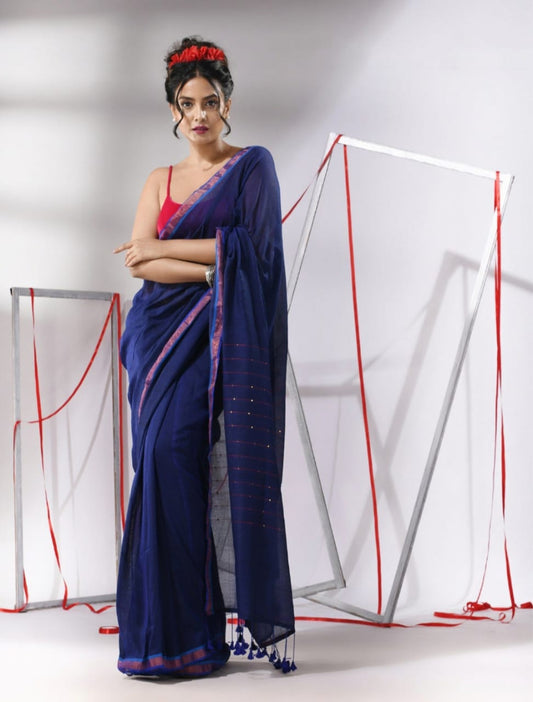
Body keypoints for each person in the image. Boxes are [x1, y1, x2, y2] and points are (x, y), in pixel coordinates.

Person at [113, 36, 295, 677]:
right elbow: (139, 263)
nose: (199, 114)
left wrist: (173, 252)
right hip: (155, 338)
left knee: (176, 454)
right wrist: (211, 263)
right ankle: (163, 638)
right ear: (173, 110)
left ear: (227, 105)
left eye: (210, 102)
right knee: (157, 465)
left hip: (216, 339)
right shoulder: (158, 180)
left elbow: (257, 252)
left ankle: (194, 633)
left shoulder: (252, 167)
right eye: (187, 104)